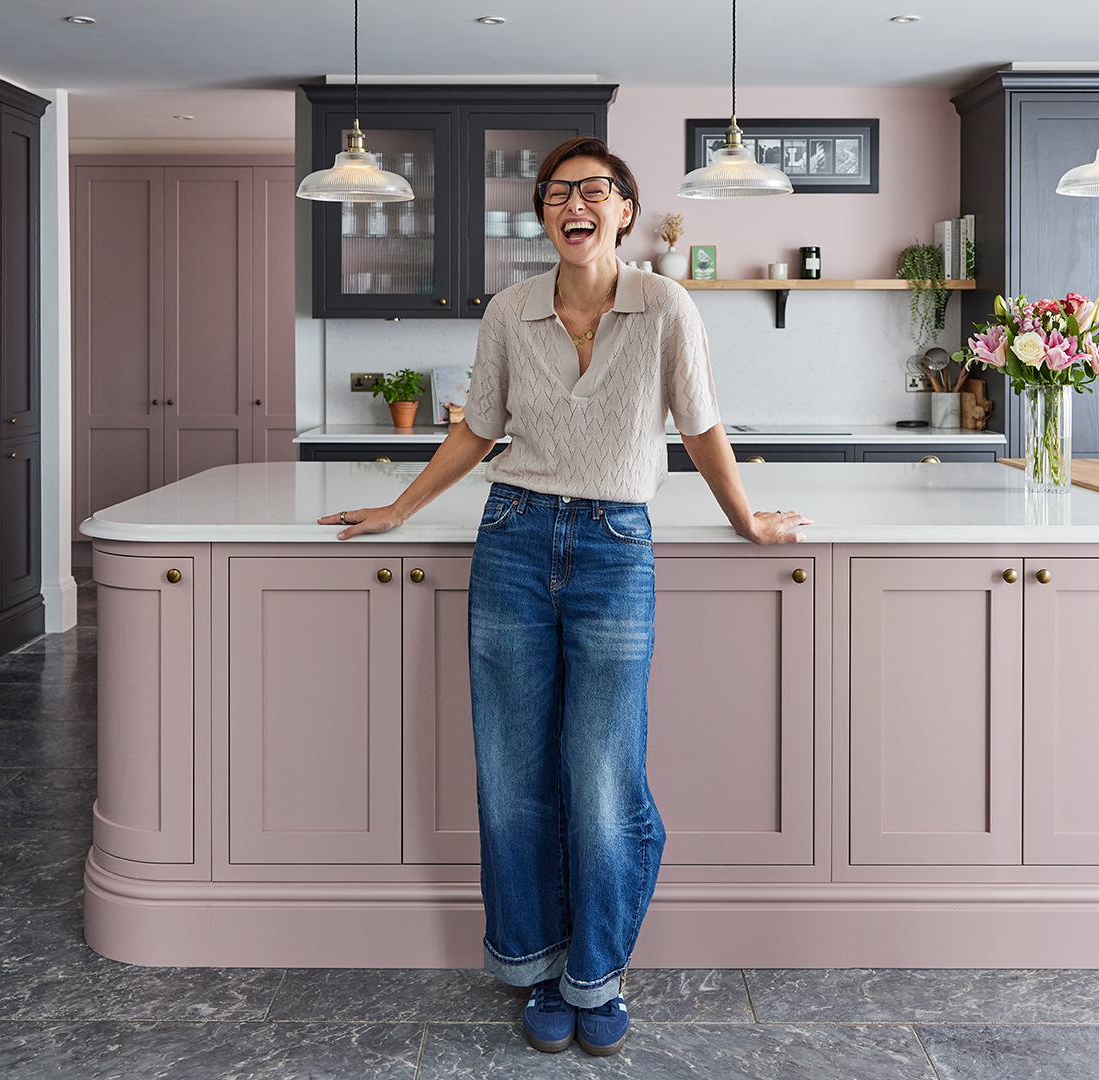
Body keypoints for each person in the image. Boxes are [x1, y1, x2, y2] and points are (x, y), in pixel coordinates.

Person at [317, 137, 811, 1056]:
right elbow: (478, 432)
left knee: (601, 775)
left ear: (625, 209)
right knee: (510, 776)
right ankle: (536, 963)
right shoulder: (510, 310)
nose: (573, 204)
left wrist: (744, 518)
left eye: (594, 190)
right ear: (543, 215)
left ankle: (598, 971)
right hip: (511, 539)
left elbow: (700, 426)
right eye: (557, 193)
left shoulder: (666, 307)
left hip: (616, 552)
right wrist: (400, 506)